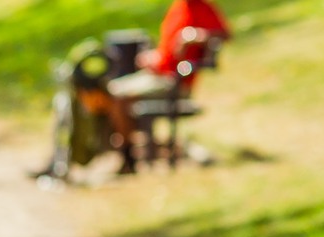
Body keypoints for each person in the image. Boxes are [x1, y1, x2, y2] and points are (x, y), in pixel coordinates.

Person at [97, 0, 232, 173]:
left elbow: (225, 34)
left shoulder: (201, 7)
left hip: (172, 80)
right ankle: (117, 148)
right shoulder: (179, 7)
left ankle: (128, 157)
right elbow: (168, 48)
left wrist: (195, 35)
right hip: (158, 73)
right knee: (107, 89)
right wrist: (154, 56)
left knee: (119, 95)